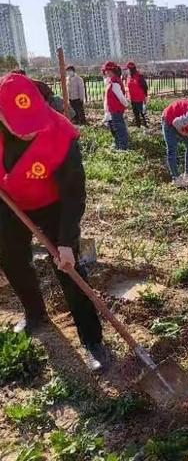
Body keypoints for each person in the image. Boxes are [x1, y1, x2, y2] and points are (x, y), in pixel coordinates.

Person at [0, 73, 107, 371]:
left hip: (55, 205)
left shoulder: (61, 136)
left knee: (68, 266)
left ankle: (91, 339)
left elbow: (74, 195)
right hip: (10, 201)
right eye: (19, 129)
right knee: (10, 257)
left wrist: (66, 242)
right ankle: (35, 313)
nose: (27, 134)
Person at [102, 61, 129, 150]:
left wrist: (126, 104)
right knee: (115, 129)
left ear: (110, 71)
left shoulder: (115, 82)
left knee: (119, 129)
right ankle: (118, 145)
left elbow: (120, 96)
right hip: (112, 110)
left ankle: (123, 147)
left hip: (116, 110)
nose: (105, 72)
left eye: (106, 71)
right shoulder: (111, 81)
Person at [125, 61, 148, 129]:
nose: (128, 71)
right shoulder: (128, 77)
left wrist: (145, 97)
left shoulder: (139, 76)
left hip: (140, 99)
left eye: (129, 69)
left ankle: (146, 127)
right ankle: (138, 127)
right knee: (136, 114)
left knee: (142, 114)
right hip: (132, 99)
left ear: (132, 69)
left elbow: (145, 87)